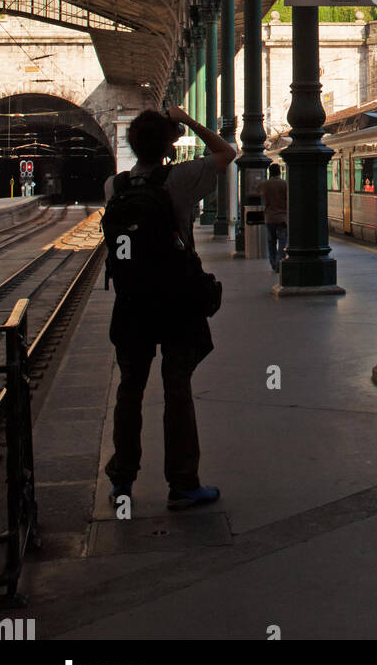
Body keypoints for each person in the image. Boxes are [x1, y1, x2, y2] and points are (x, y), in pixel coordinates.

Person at [103, 105, 236, 511]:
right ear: (169, 143)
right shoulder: (179, 178)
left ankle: (122, 482)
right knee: (177, 388)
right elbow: (227, 152)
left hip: (131, 305)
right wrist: (190, 120)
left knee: (130, 389)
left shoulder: (115, 186)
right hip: (176, 301)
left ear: (131, 144)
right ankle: (182, 483)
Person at [258, 162, 288, 272]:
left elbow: (257, 192)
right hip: (282, 218)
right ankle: (279, 262)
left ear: (270, 172)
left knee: (271, 241)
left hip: (269, 218)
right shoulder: (285, 184)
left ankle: (272, 262)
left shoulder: (264, 184)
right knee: (283, 241)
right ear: (279, 172)